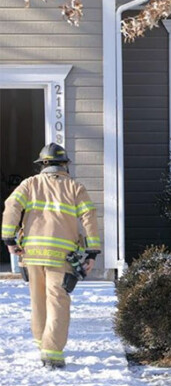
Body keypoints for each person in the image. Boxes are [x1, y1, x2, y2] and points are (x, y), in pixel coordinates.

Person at [1, 143, 100, 369]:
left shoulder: (29, 184)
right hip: (61, 257)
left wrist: (9, 240)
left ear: (42, 165)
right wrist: (92, 251)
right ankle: (52, 352)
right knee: (58, 301)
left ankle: (41, 342)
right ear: (65, 164)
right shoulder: (75, 188)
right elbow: (89, 217)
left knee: (38, 300)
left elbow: (11, 206)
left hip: (32, 255)